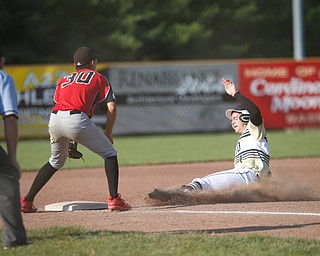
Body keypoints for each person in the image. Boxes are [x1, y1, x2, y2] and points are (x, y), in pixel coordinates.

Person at [20, 46, 131, 212]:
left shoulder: (64, 79)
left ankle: (26, 201)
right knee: (109, 153)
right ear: (93, 62)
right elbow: (112, 108)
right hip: (77, 119)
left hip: (55, 119)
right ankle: (114, 199)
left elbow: (63, 109)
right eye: (95, 60)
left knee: (55, 161)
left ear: (75, 64)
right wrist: (108, 132)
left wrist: (72, 137)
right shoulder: (98, 77)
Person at [149, 78, 270, 199]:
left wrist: (235, 93)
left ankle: (180, 194)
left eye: (235, 118)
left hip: (248, 174)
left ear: (245, 117)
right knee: (221, 191)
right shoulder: (248, 137)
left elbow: (255, 113)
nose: (232, 122)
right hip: (251, 179)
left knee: (206, 182)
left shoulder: (253, 129)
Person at [0, 48, 29, 249]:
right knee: (8, 174)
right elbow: (10, 117)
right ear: (1, 60)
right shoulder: (3, 78)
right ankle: (14, 239)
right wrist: (13, 158)